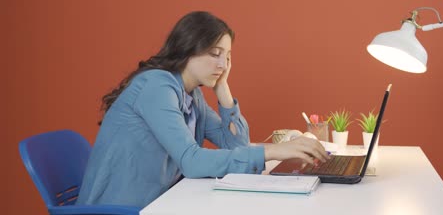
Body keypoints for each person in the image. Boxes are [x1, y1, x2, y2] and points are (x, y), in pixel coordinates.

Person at [76, 11, 330, 208]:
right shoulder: (156, 85)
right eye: (215, 53)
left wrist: (223, 88)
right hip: (125, 208)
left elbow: (234, 144)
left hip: (161, 202)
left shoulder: (192, 93)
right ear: (188, 49)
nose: (222, 64)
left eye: (228, 57)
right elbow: (192, 162)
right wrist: (274, 151)